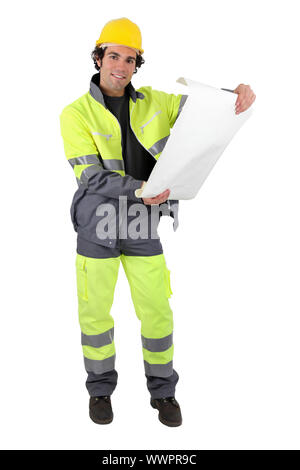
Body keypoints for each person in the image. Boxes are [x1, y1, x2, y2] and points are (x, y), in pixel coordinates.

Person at [60, 17, 256, 427]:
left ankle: (163, 393)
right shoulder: (74, 113)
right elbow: (91, 176)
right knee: (95, 314)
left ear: (136, 65)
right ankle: (100, 391)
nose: (121, 66)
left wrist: (235, 92)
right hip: (96, 228)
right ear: (99, 58)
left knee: (157, 314)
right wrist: (144, 187)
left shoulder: (154, 101)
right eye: (113, 56)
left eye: (130, 59)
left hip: (141, 225)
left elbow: (206, 109)